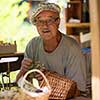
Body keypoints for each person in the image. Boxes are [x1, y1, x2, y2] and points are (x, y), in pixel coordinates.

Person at [16, 2, 87, 96]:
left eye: (50, 20)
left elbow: (77, 91)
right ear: (35, 24)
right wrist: (23, 70)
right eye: (40, 21)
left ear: (58, 22)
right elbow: (21, 85)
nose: (45, 26)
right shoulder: (32, 45)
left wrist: (48, 76)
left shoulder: (72, 48)